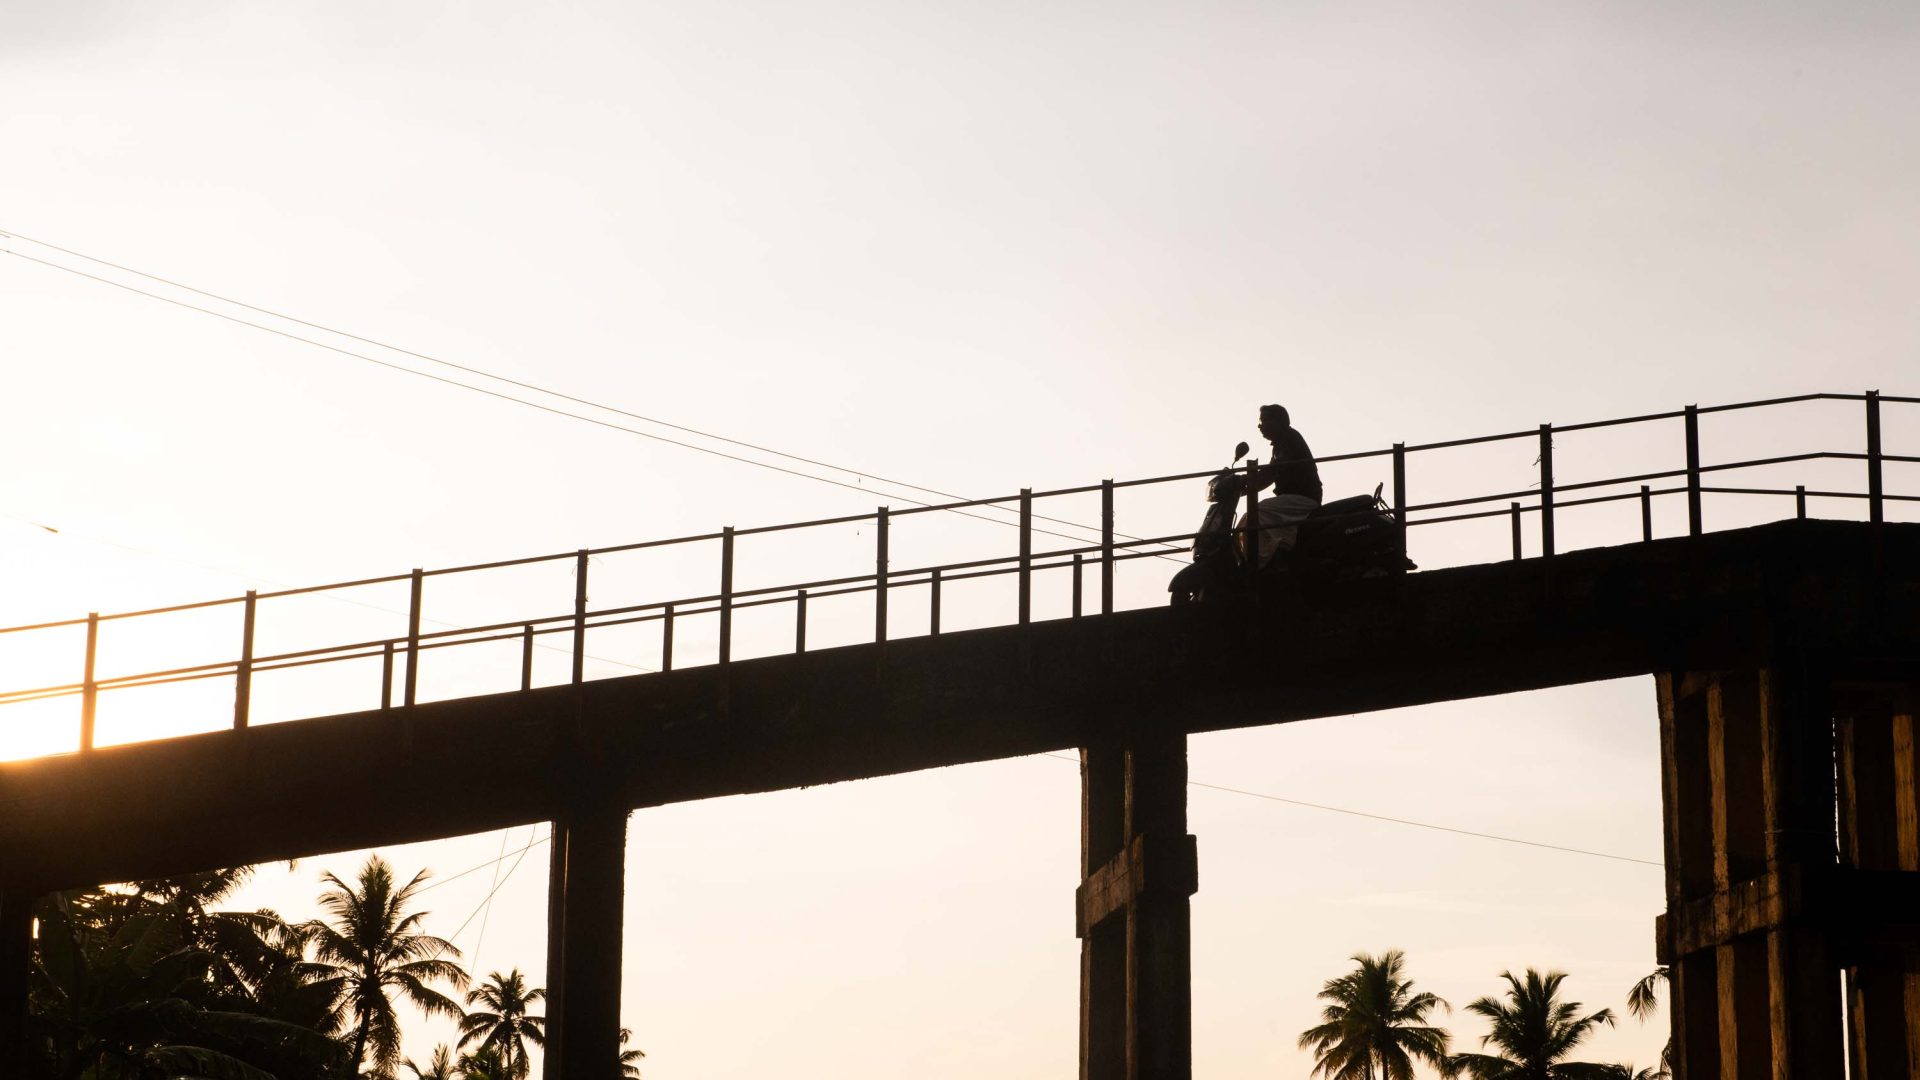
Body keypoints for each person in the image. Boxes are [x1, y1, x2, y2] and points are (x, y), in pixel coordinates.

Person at [1244, 403, 1322, 567]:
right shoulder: (1282, 442)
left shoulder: (1289, 439)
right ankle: (1270, 557)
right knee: (1256, 514)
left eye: (1263, 421)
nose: (1260, 426)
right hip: (1293, 498)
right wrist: (1243, 488)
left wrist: (1243, 482)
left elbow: (1272, 472)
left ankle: (1259, 563)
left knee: (1256, 514)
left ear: (1278, 422)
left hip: (1303, 498)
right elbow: (1269, 476)